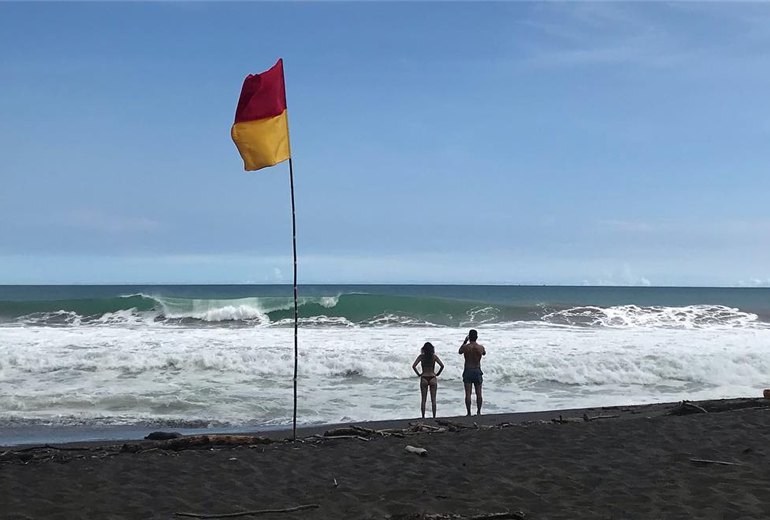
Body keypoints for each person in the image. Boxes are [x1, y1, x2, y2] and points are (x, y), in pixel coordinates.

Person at [412, 342, 445, 419]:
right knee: (433, 400)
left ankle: (423, 417)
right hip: (432, 377)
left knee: (423, 399)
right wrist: (437, 374)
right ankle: (434, 417)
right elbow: (442, 366)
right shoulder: (434, 357)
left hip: (424, 377)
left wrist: (418, 374)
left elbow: (413, 366)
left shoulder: (421, 357)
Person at [458, 329, 486, 416]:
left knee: (468, 393)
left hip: (468, 370)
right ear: (477, 337)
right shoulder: (480, 347)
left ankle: (469, 412)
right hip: (477, 369)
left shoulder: (466, 347)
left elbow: (460, 351)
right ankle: (478, 412)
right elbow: (484, 353)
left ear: (469, 337)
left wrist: (465, 341)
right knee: (479, 393)